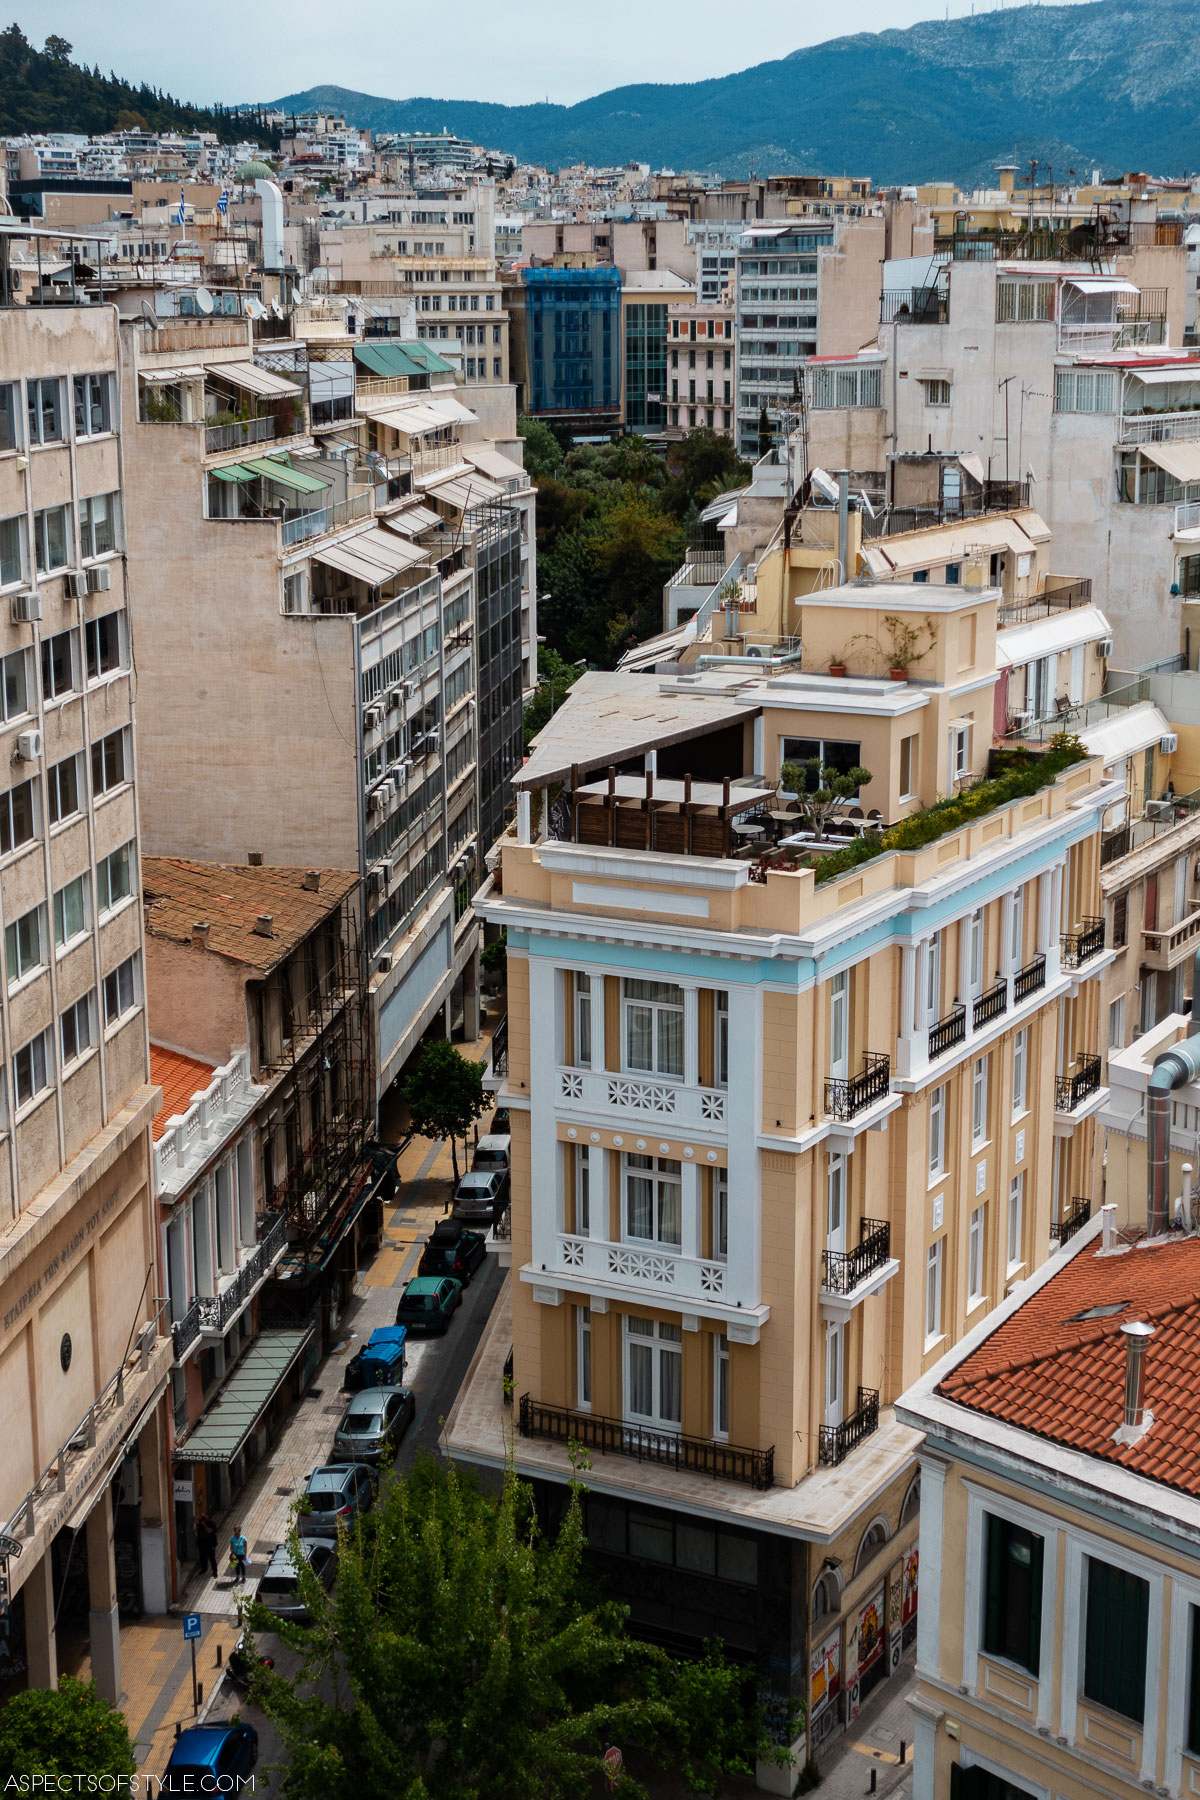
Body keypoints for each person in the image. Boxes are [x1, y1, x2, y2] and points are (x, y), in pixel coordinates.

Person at [195, 1512, 218, 1580]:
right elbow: (194, 1519)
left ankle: (215, 1572)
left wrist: (204, 1525)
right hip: (201, 1544)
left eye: (206, 1516)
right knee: (203, 1557)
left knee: (212, 1559)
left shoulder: (212, 1524)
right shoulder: (200, 1522)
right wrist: (199, 1516)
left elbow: (209, 1531)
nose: (205, 1518)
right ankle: (204, 1569)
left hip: (210, 1544)